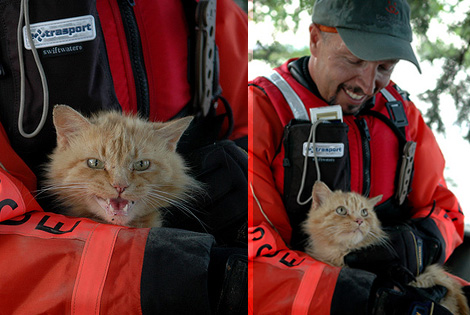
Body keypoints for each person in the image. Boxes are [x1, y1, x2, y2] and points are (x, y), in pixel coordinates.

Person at [0, 0, 247, 313]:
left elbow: (242, 111)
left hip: (200, 242)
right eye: (96, 165)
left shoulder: (216, 7)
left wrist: (248, 170)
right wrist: (141, 273)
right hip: (66, 276)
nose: (117, 183)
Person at [248, 0, 466, 314]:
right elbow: (258, 249)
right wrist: (357, 295)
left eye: (384, 67)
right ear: (315, 39)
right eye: (353, 60)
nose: (366, 85)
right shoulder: (263, 109)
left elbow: (445, 209)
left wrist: (425, 242)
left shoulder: (401, 113)